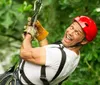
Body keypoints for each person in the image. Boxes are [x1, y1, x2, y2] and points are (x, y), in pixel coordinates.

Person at [18, 16, 98, 85]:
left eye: (77, 33)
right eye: (71, 27)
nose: (70, 32)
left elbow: (24, 53)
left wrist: (28, 34)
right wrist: (41, 33)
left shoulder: (59, 55)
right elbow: (48, 58)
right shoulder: (75, 55)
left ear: (83, 41)